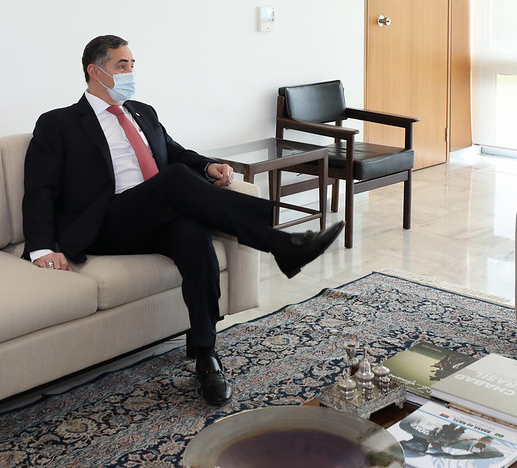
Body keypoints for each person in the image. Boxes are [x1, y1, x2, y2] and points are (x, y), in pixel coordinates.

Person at [22, 35, 345, 406]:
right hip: (104, 224)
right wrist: (41, 248)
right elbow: (40, 188)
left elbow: (174, 153)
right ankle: (279, 243)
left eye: (132, 65)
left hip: (154, 214)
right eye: (121, 66)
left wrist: (208, 166)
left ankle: (206, 355)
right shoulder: (59, 123)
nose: (130, 73)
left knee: (194, 237)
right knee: (174, 181)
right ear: (95, 72)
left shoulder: (142, 111)